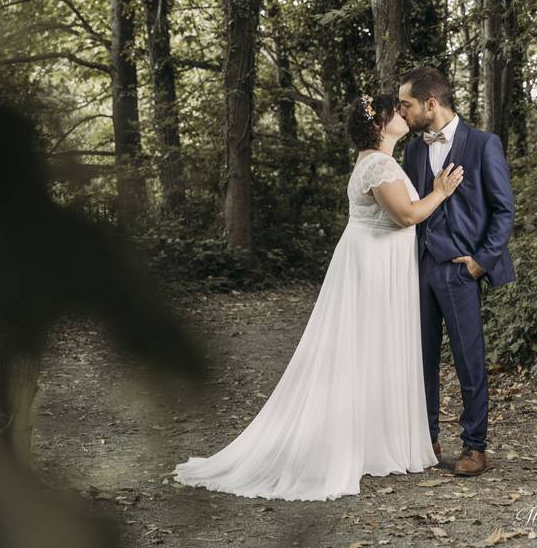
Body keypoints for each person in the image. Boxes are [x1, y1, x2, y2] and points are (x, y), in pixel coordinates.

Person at [173, 94, 464, 501]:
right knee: (364, 350)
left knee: (373, 351)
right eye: (393, 113)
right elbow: (408, 216)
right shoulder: (378, 164)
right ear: (380, 126)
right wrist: (441, 191)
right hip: (373, 265)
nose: (402, 115)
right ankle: (352, 444)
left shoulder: (377, 161)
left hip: (377, 259)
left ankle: (376, 443)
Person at [398, 66, 516, 477]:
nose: (403, 112)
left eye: (407, 104)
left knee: (469, 359)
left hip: (460, 270)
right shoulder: (412, 151)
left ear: (430, 103)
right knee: (422, 358)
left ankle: (474, 445)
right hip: (421, 268)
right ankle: (426, 438)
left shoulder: (484, 144)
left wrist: (482, 261)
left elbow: (503, 210)